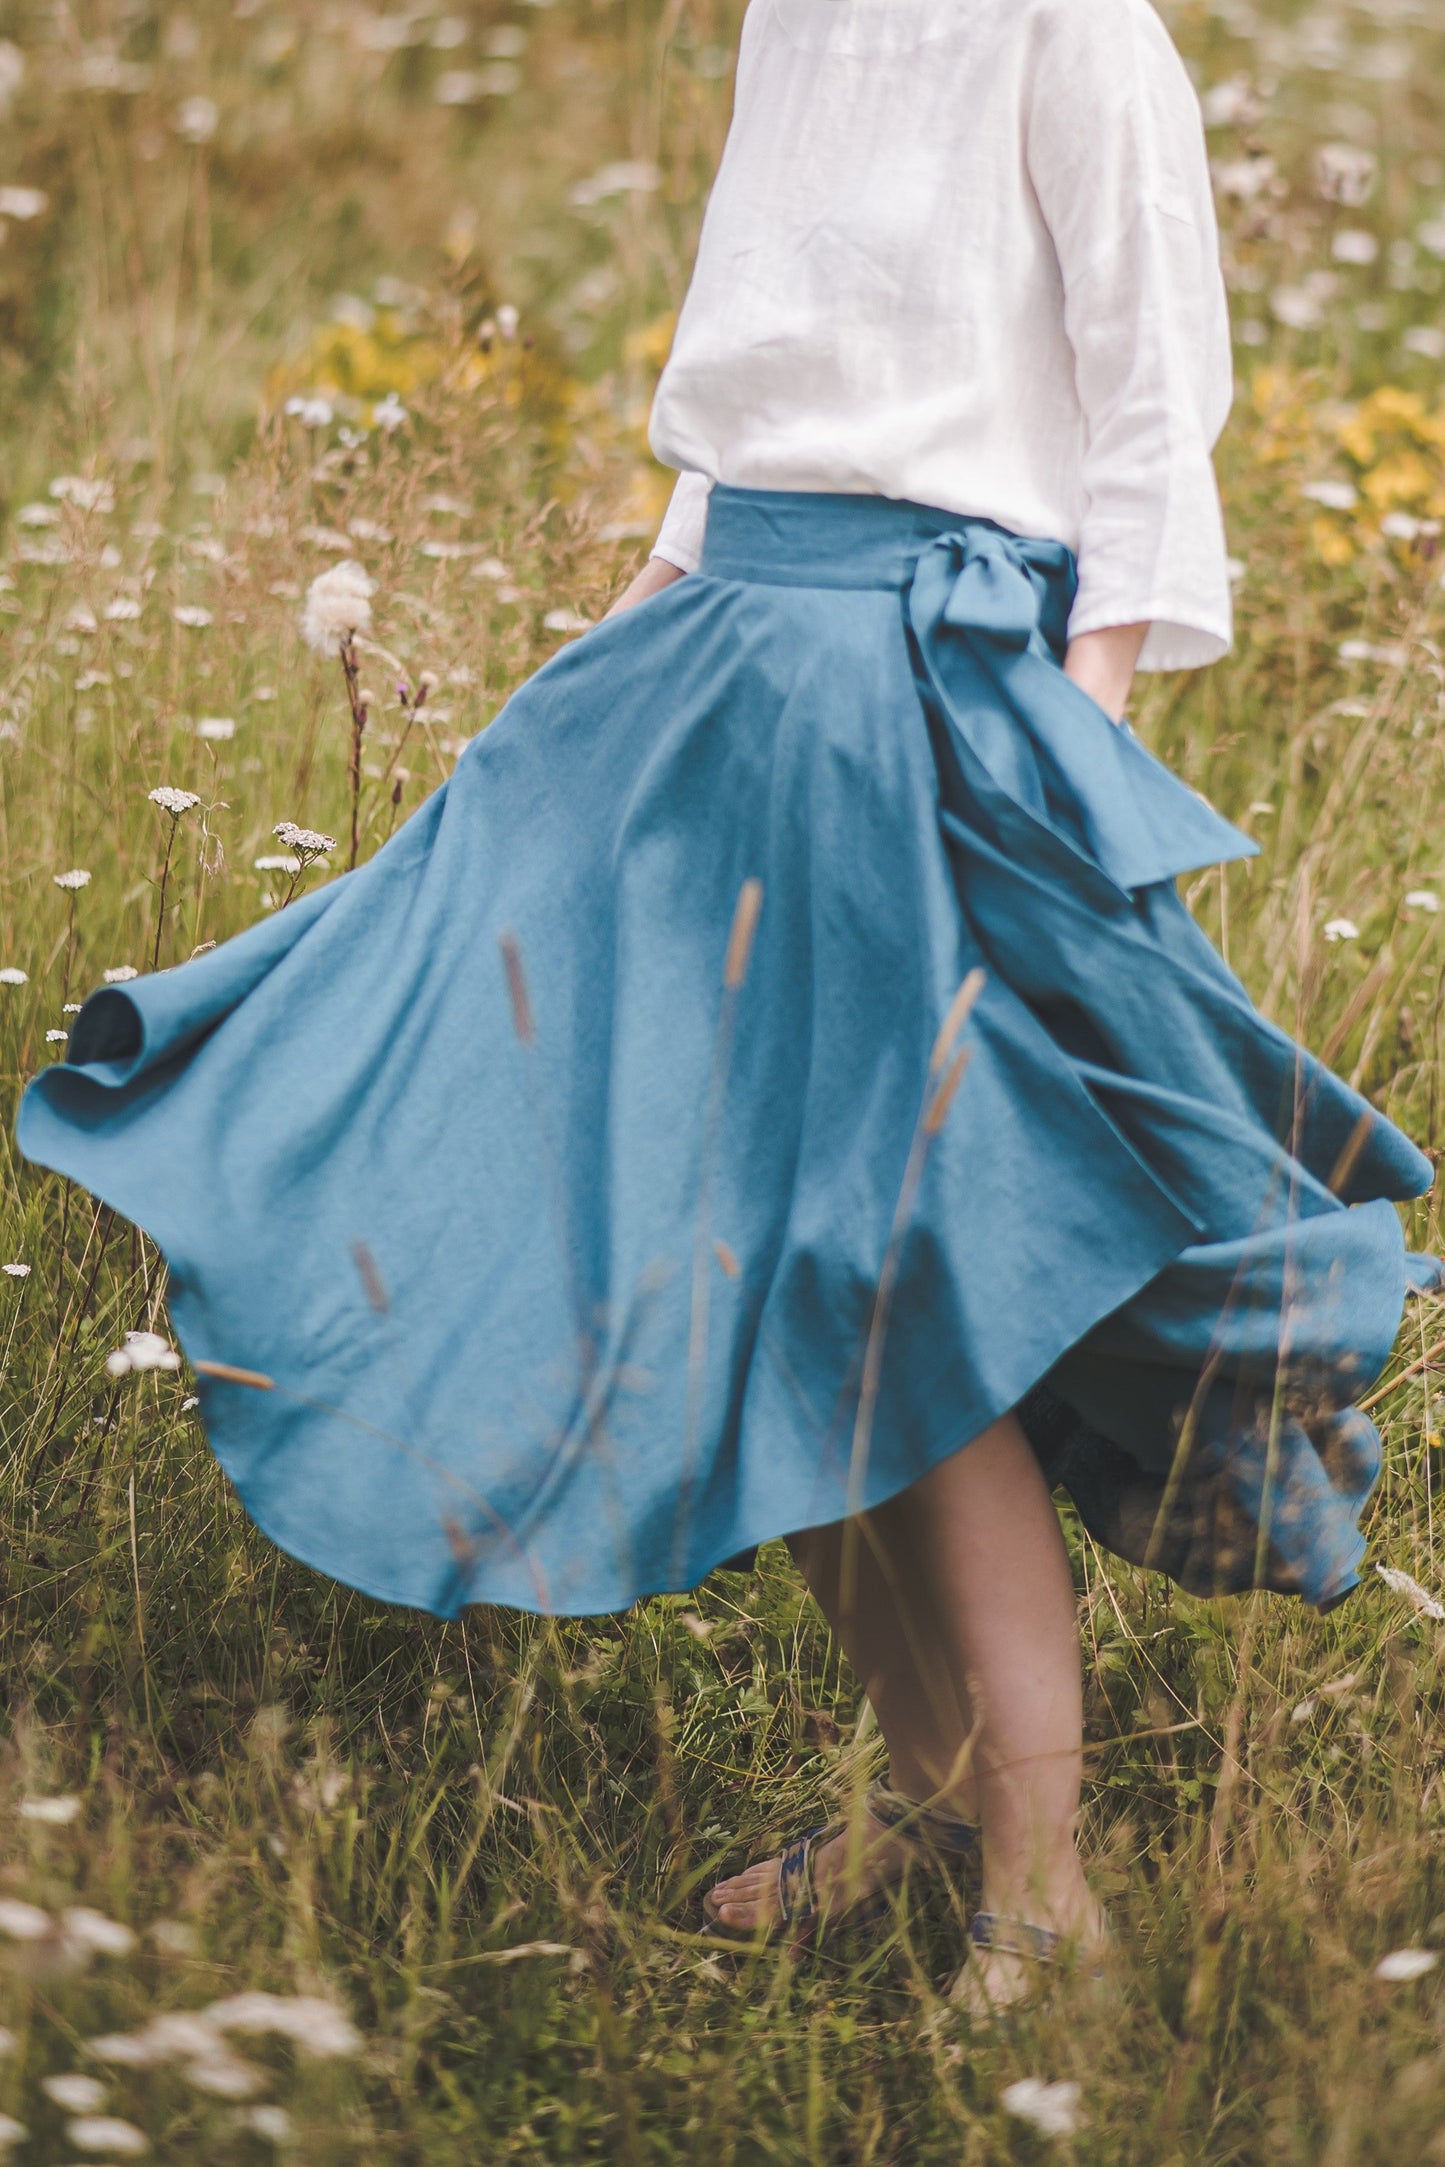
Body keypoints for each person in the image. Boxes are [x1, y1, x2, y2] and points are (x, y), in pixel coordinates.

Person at [19, 0, 1440, 2013]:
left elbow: (1149, 417)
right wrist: (598, 677)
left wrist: (1073, 744)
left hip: (932, 717)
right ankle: (935, 1802)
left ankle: (1048, 1892)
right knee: (739, 1288)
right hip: (709, 686)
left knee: (903, 1293)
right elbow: (739, 417)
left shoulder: (1075, 29)